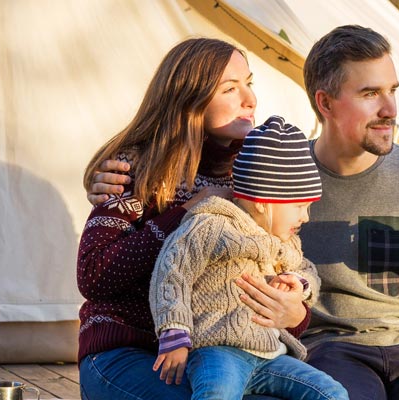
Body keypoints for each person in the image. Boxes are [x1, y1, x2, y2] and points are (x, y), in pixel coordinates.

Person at [90, 26, 399, 399]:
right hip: (175, 347)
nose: (390, 108)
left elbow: (280, 281)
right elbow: (105, 269)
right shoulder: (263, 176)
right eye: (371, 93)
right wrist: (144, 197)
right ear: (325, 102)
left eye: (249, 84)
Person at [76, 38, 312, 400]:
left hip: (218, 354)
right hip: (126, 351)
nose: (250, 99)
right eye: (230, 89)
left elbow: (279, 264)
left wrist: (295, 313)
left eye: (249, 83)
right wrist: (187, 213)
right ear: (190, 98)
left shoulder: (254, 173)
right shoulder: (134, 170)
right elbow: (95, 275)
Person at [149, 116, 346, 399]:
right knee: (217, 393)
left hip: (271, 356)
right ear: (266, 202)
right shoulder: (212, 225)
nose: (305, 216)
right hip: (218, 351)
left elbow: (307, 269)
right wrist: (174, 333)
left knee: (331, 392)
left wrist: (299, 283)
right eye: (300, 206)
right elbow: (171, 272)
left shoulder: (286, 240)